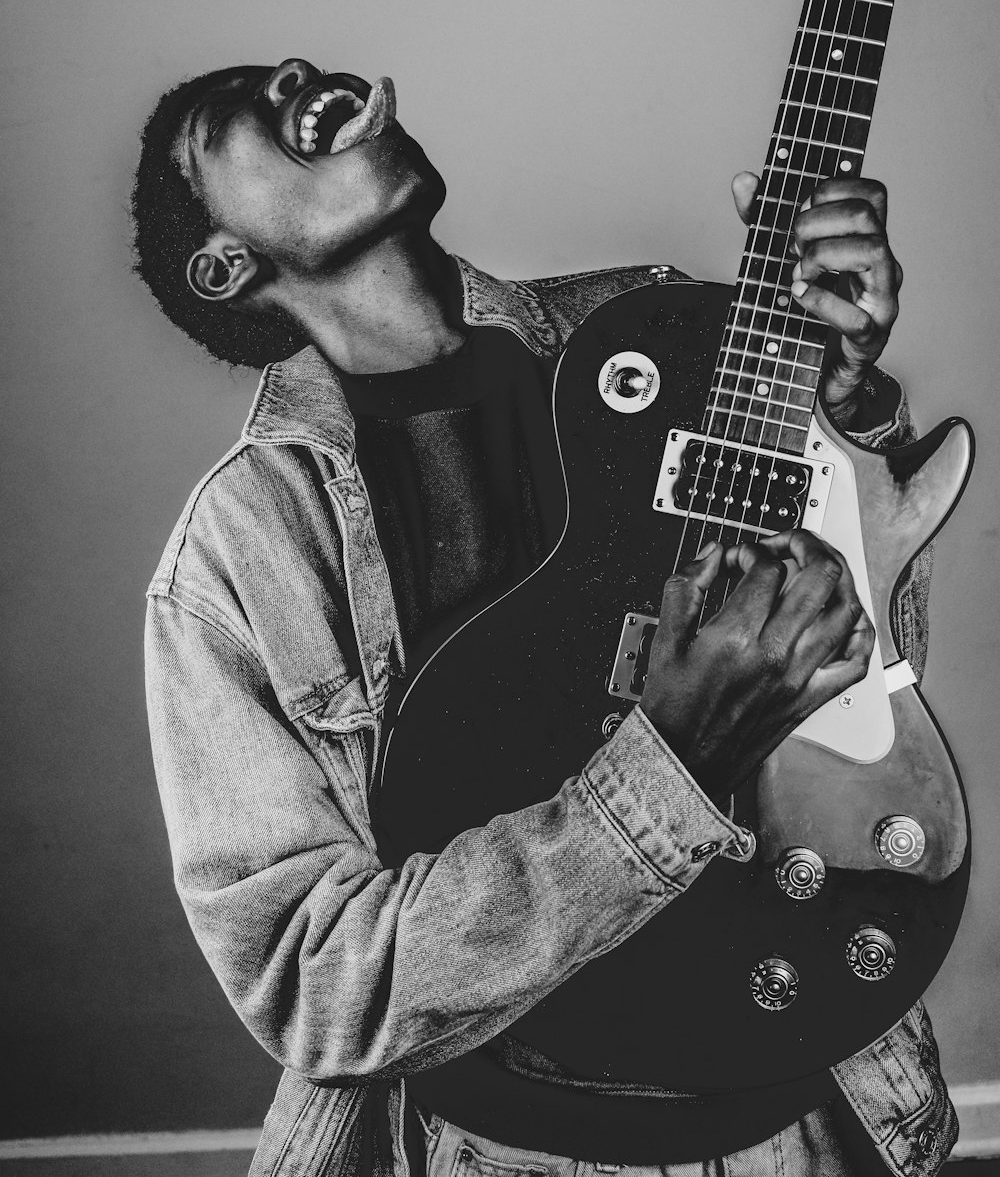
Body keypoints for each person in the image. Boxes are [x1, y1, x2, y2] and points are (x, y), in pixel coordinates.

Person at [134, 59, 955, 1177]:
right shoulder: (240, 553)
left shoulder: (653, 331)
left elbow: (858, 660)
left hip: (813, 1108)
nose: (293, 73)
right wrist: (666, 764)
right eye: (232, 112)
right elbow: (317, 987)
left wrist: (841, 408)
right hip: (508, 1151)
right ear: (225, 262)